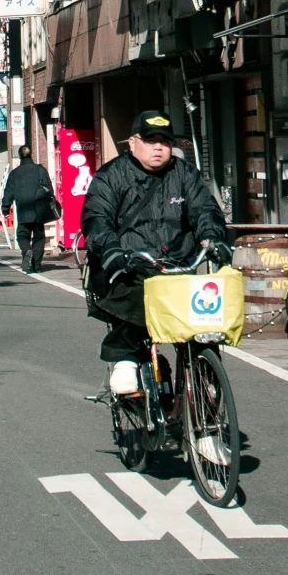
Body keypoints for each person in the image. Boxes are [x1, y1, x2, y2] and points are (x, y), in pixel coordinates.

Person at [79, 108, 231, 378]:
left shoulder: (185, 174)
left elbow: (205, 210)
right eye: (151, 141)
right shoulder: (111, 175)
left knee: (202, 321)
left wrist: (213, 238)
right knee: (136, 304)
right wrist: (111, 249)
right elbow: (96, 217)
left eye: (165, 141)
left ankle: (207, 384)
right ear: (133, 142)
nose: (158, 148)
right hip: (130, 268)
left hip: (177, 267)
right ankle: (126, 364)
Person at [0, 142, 58, 272]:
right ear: (31, 154)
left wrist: (5, 208)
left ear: (20, 156)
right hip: (39, 210)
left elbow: (8, 192)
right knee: (39, 237)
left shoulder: (15, 173)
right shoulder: (40, 170)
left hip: (23, 210)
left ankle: (26, 251)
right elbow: (49, 189)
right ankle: (37, 265)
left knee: (22, 235)